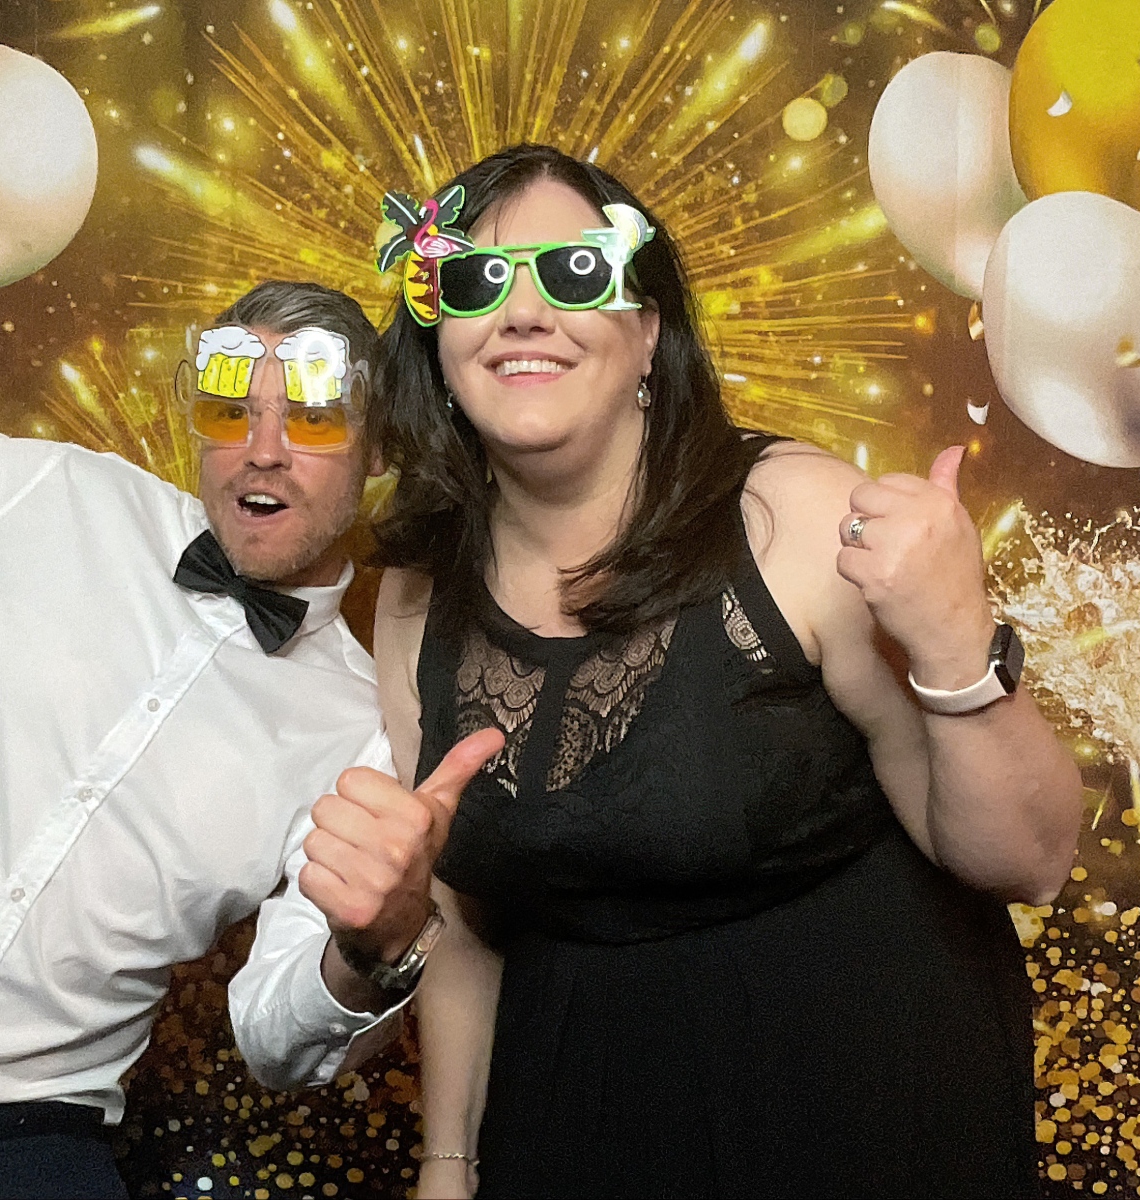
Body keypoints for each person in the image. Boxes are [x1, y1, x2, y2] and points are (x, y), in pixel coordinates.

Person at [0, 100, 500, 1199]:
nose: (262, 450)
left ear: (379, 445)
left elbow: (275, 1039)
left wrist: (366, 950)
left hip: (21, 1164)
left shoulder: (357, 730)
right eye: (229, 407)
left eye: (311, 416)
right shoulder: (38, 496)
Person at [366, 143, 1084, 1199]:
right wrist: (447, 1161)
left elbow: (1029, 861)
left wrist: (953, 646)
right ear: (438, 343)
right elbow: (465, 921)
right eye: (474, 281)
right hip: (577, 1118)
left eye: (574, 273)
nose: (520, 313)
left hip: (859, 1105)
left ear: (648, 333)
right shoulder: (417, 594)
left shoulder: (794, 517)